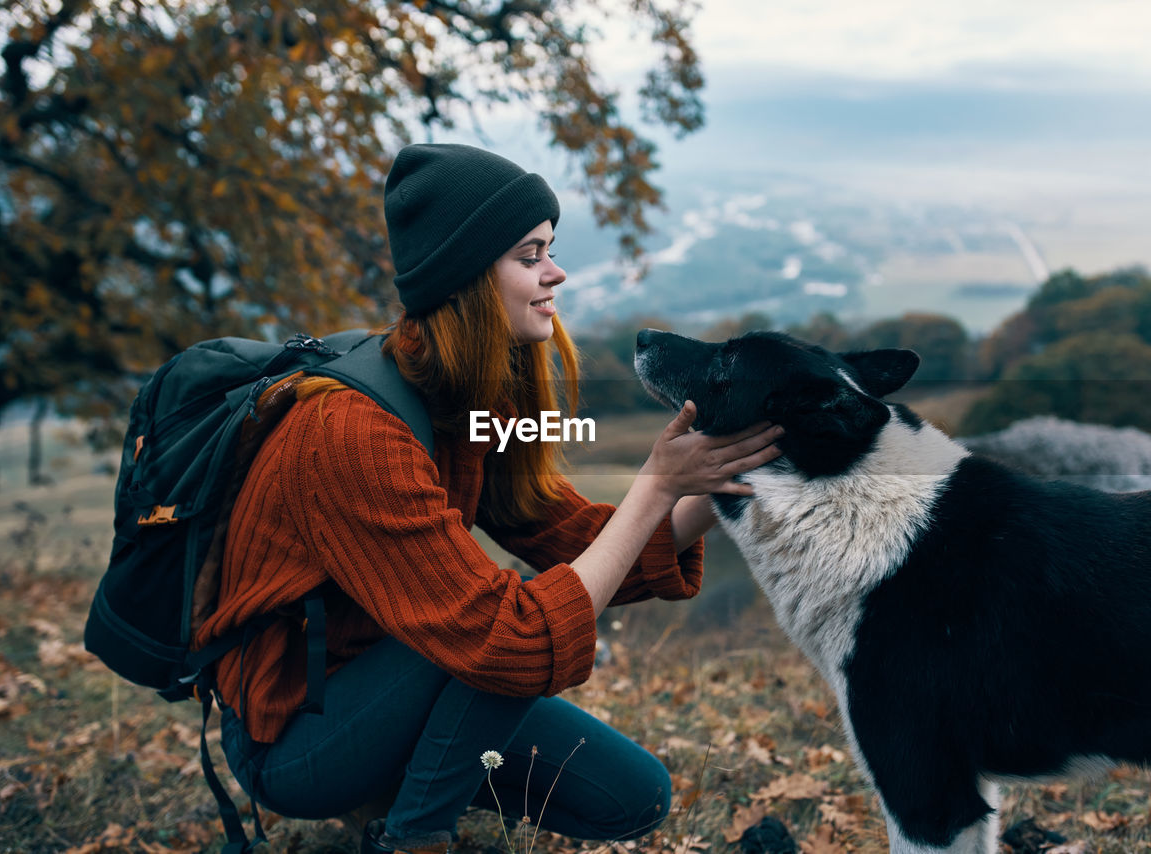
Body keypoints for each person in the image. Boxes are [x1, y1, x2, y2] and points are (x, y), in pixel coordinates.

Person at [195, 144, 784, 854]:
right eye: (530, 254)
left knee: (631, 798)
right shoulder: (349, 435)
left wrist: (726, 483)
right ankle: (414, 837)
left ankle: (407, 796)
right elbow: (511, 639)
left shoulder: (473, 399)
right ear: (468, 275)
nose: (555, 272)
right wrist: (655, 482)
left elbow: (572, 536)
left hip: (404, 681)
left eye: (550, 250)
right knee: (509, 627)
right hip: (296, 736)